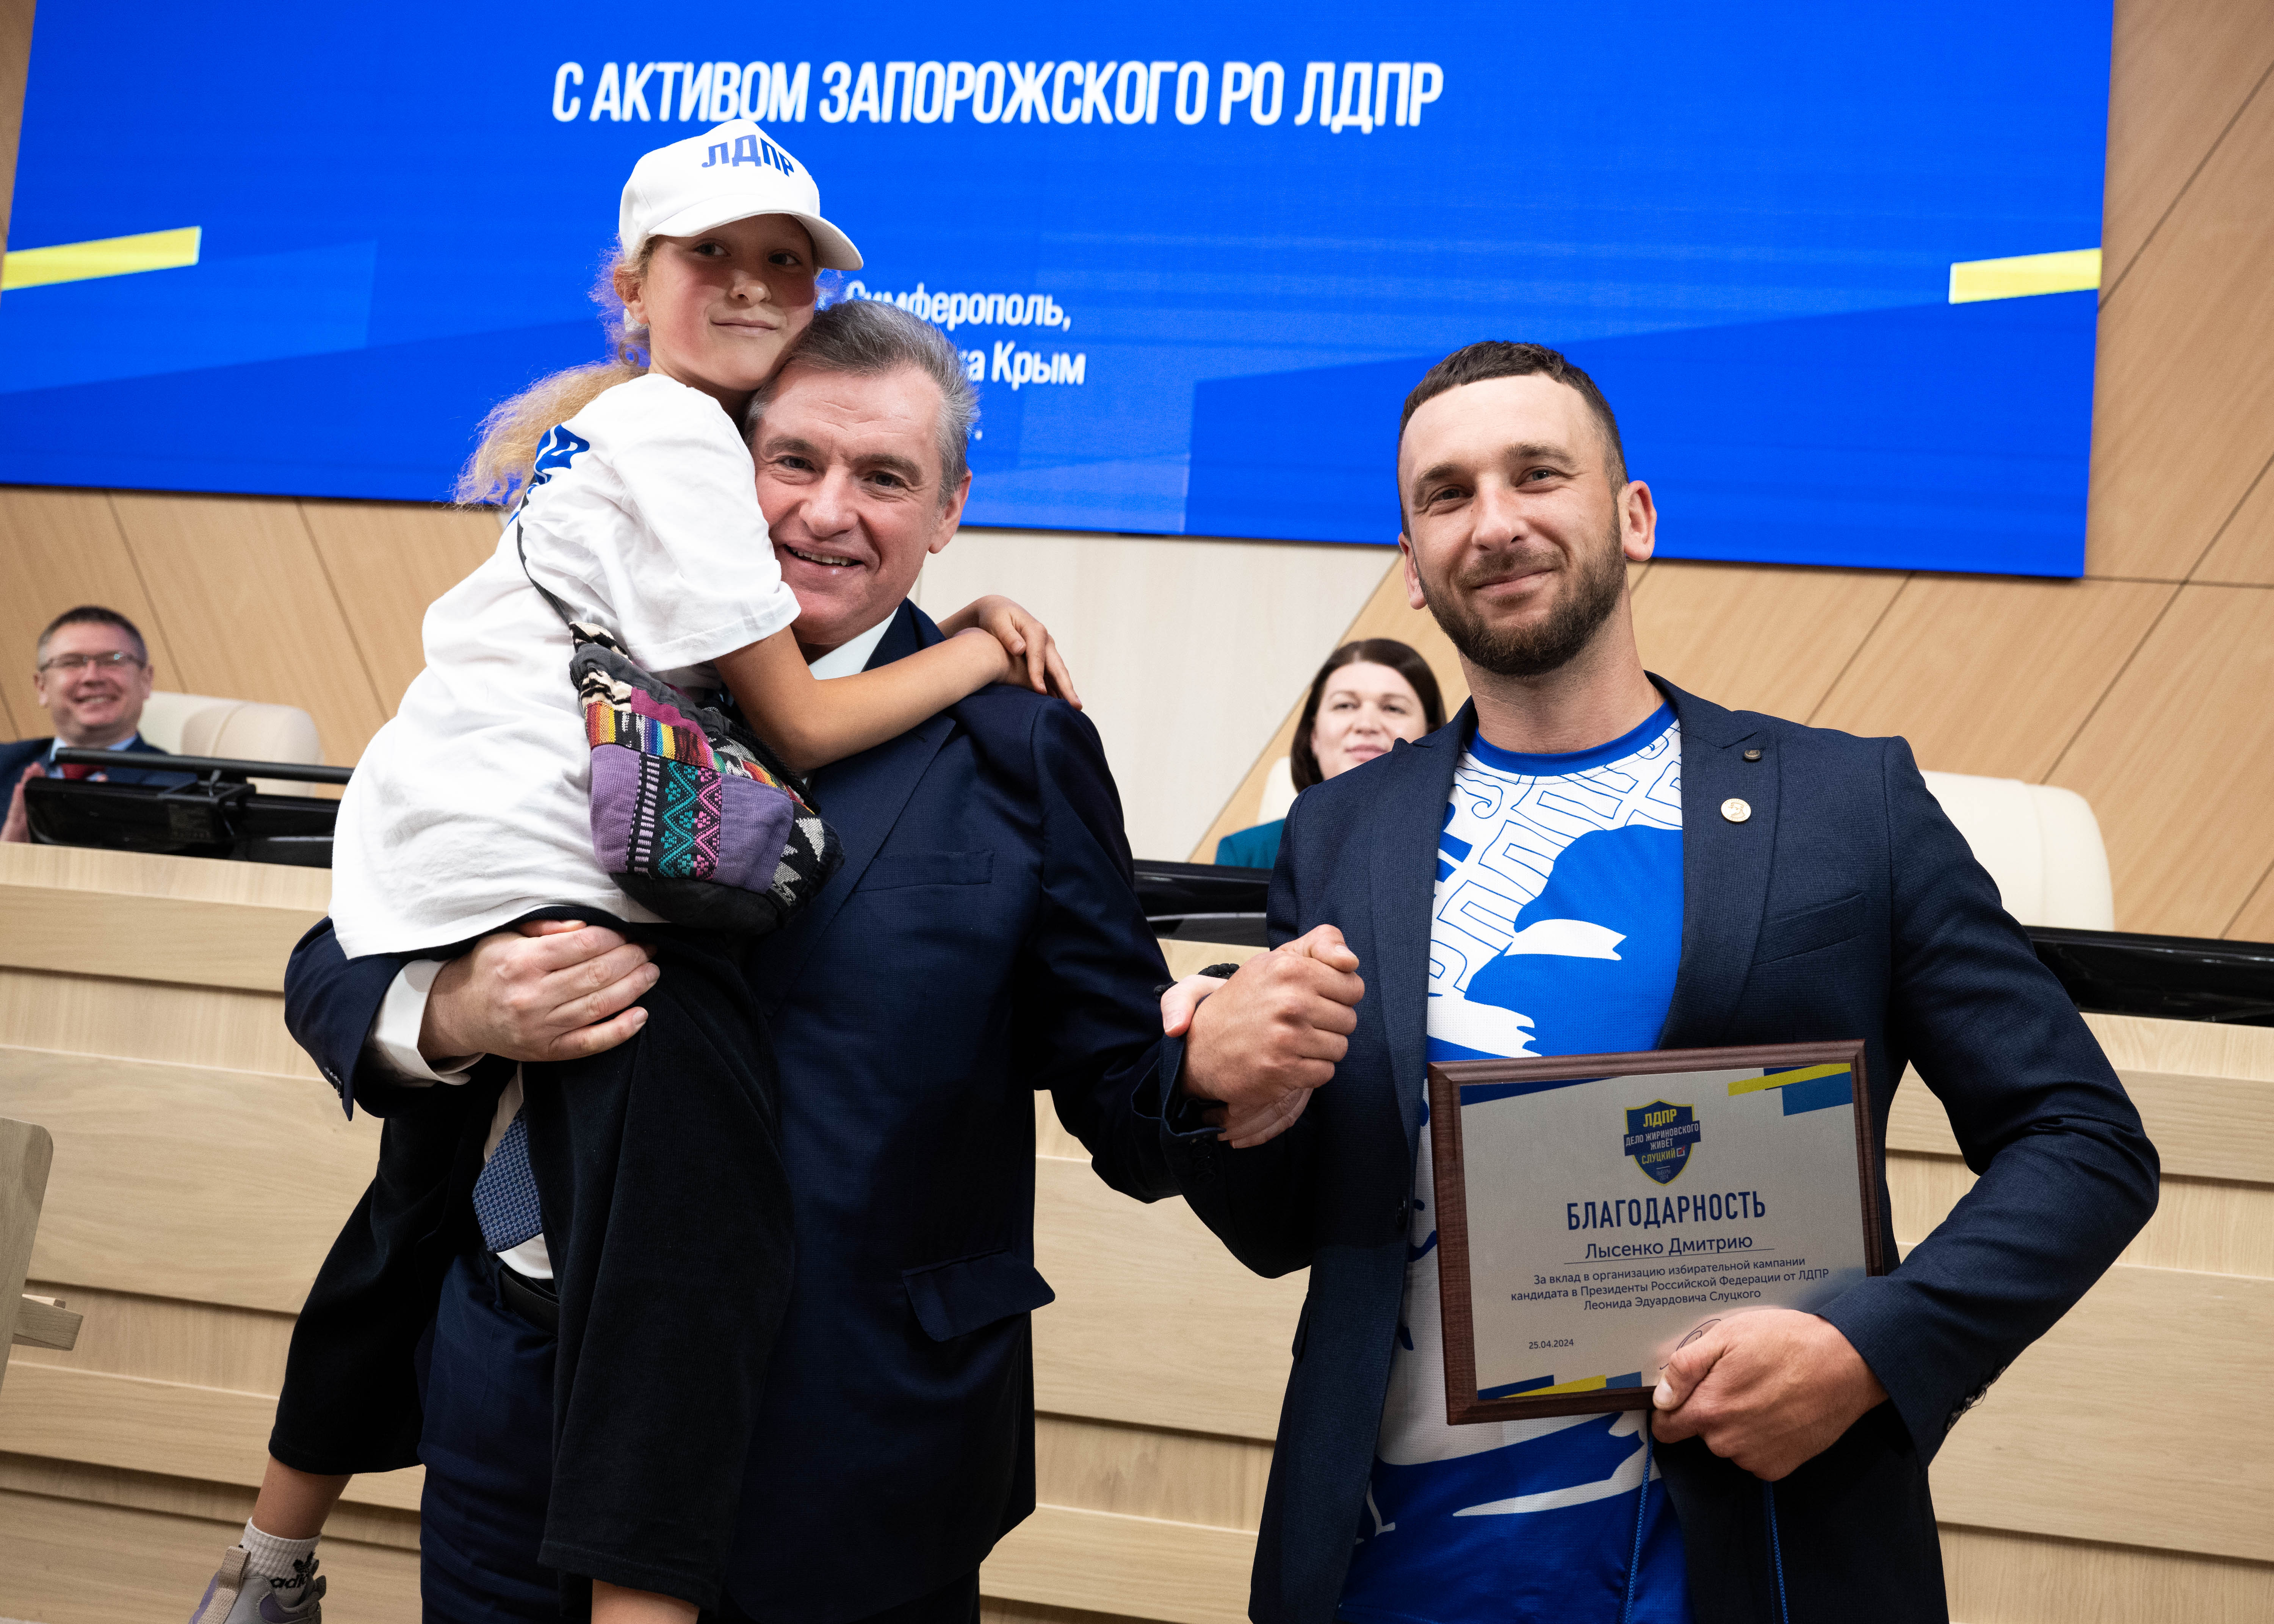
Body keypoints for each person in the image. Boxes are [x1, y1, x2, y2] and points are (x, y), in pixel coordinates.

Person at [192, 125, 1074, 1624]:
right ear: (632, 289)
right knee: (681, 1204)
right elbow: (794, 729)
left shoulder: (1014, 751)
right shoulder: (670, 448)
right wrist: (454, 1012)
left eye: (783, 261)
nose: (827, 507)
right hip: (505, 1362)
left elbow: (1094, 1041)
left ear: (947, 505)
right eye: (797, 464)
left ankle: (272, 1561)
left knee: (529, 1210)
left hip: (844, 1452)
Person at [1151, 341, 2159, 1623]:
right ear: (1411, 560)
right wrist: (1221, 1090)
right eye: (1448, 494)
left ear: (1635, 517)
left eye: (1538, 474)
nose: (1495, 522)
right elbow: (1290, 1227)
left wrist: (1870, 1348)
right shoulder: (1343, 832)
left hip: (1751, 1564)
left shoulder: (1845, 806)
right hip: (1397, 1573)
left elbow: (2082, 1139)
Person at [1213, 639, 1444, 869]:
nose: (1367, 725)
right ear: (1313, 735)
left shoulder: (1457, 849)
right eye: (1345, 706)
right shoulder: (1246, 855)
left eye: (1394, 708)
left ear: (1433, 735)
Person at [0, 605, 192, 842]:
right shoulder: (4, 765)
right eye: (71, 662)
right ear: (42, 687)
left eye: (113, 660)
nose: (92, 677)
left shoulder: (185, 789)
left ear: (146, 680)